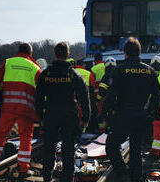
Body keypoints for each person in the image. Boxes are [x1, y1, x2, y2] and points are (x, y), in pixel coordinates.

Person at [104, 37, 160, 182]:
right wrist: (154, 112)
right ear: (139, 52)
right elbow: (157, 95)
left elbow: (111, 96)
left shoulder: (119, 70)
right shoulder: (150, 71)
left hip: (122, 116)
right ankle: (136, 177)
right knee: (136, 150)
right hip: (140, 116)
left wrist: (103, 113)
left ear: (125, 53)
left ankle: (123, 174)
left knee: (111, 146)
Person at [36, 42, 90, 182]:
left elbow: (39, 98)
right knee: (68, 151)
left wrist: (40, 117)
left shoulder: (45, 74)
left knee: (48, 149)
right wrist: (86, 118)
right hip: (69, 116)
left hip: (51, 115)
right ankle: (68, 179)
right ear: (68, 54)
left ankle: (47, 178)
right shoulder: (74, 75)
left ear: (55, 54)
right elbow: (84, 97)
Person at [0, 43, 41, 178]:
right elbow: (41, 92)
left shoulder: (8, 63)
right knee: (25, 138)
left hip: (8, 107)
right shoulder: (35, 67)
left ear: (18, 51)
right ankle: (23, 169)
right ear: (30, 53)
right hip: (26, 109)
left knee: (2, 134)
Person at [75, 59, 98, 133]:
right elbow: (93, 86)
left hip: (73, 100)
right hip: (85, 99)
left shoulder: (71, 72)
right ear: (83, 65)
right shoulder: (88, 73)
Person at [97, 56, 117, 132]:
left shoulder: (105, 76)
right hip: (119, 101)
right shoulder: (119, 74)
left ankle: (103, 131)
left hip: (108, 100)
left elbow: (102, 90)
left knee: (102, 116)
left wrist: (97, 100)